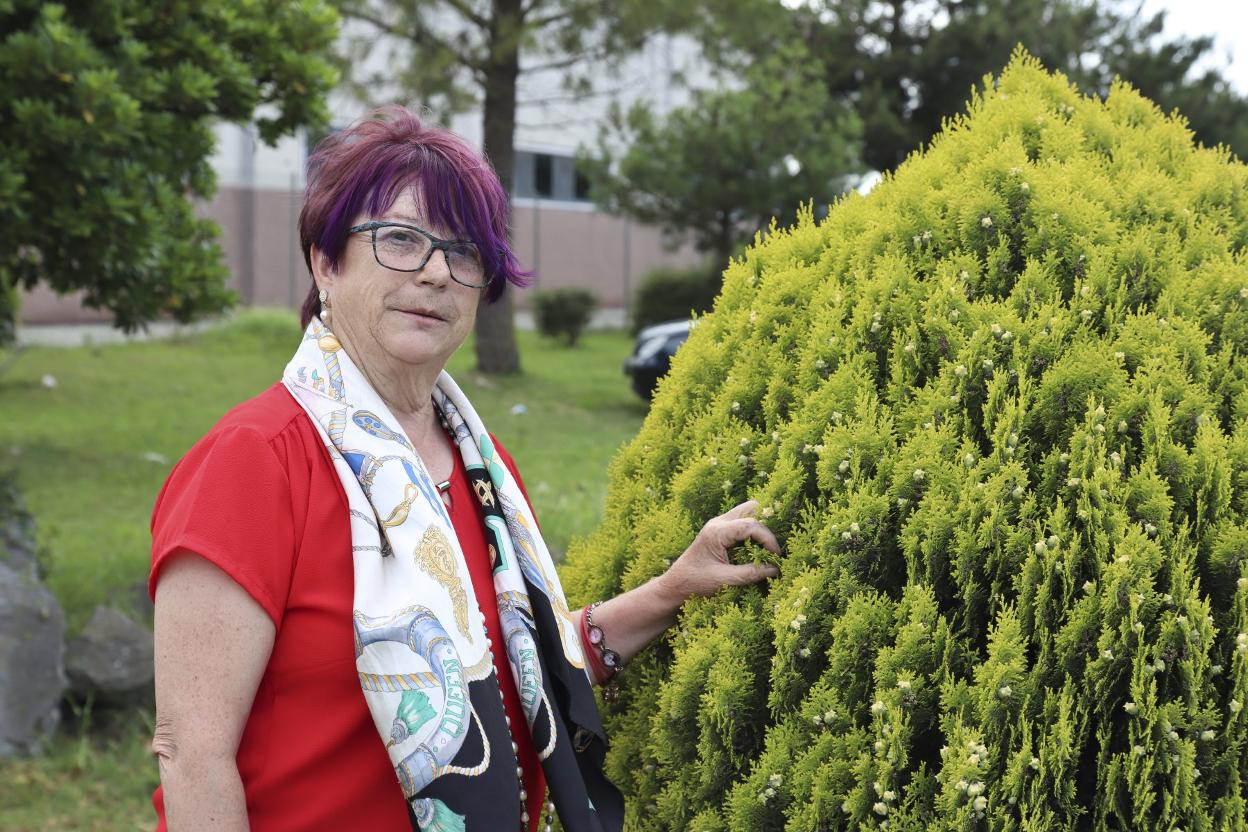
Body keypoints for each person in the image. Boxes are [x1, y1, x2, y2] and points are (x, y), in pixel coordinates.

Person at [148, 106, 780, 832]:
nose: (436, 272)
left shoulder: (479, 463)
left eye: (464, 251)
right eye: (399, 239)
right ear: (325, 261)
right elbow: (192, 753)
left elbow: (514, 670)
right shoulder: (253, 463)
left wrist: (674, 588)